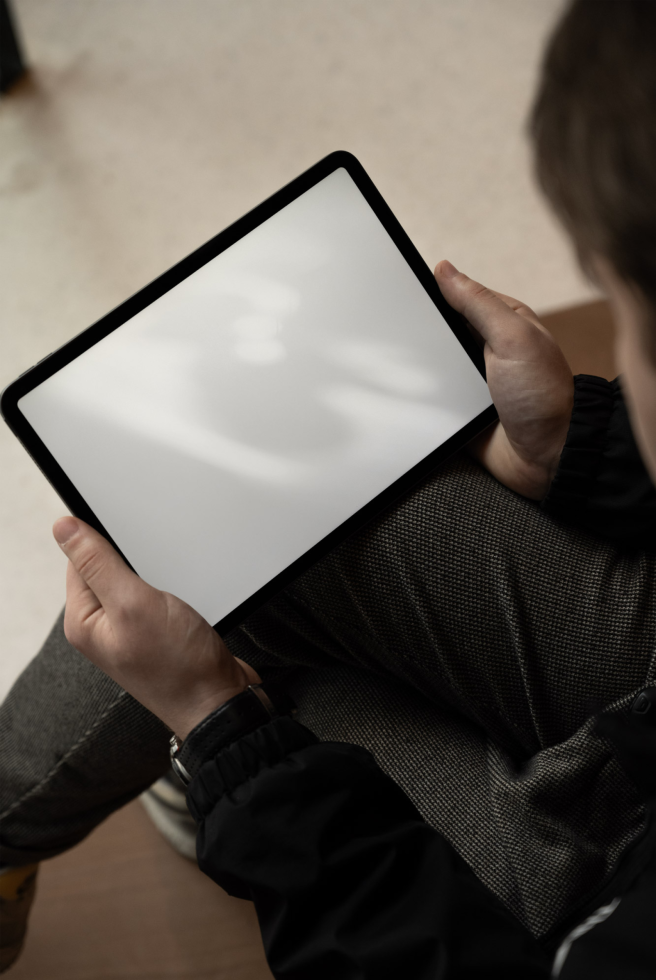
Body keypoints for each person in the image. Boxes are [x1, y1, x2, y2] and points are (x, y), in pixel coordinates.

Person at [2, 0, 656, 975]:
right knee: (295, 517)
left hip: (597, 878)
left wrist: (231, 742)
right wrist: (574, 446)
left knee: (240, 600)